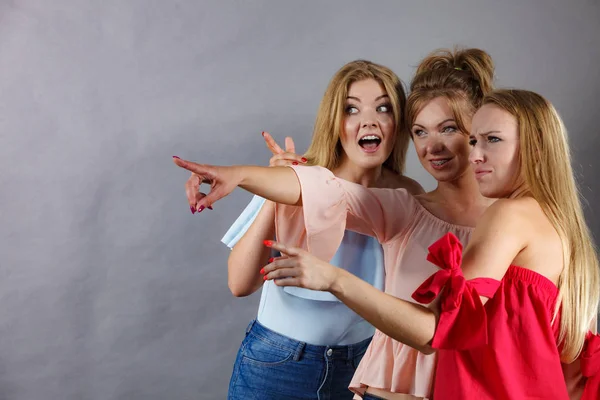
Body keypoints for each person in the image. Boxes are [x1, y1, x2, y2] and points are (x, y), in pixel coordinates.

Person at [174, 89, 600, 399]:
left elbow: (439, 333)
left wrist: (334, 279)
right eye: (475, 140)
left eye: (491, 139)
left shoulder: (508, 216)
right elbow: (330, 192)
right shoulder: (555, 222)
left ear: (537, 146)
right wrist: (247, 176)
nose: (475, 154)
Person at [176, 48, 497, 399]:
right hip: (281, 361)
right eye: (351, 108)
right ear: (336, 121)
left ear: (398, 125)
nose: (370, 120)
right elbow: (239, 283)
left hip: (357, 366)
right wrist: (276, 187)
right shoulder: (298, 179)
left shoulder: (409, 197)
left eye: (384, 108)